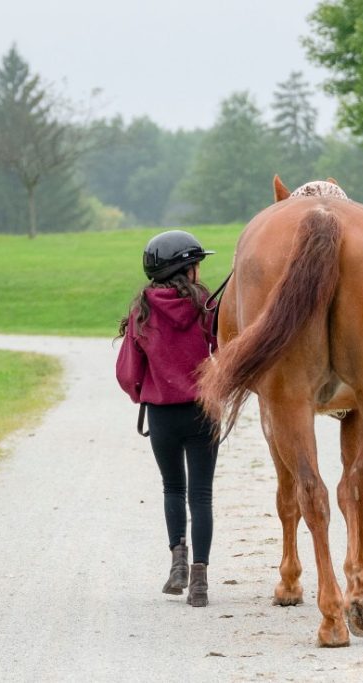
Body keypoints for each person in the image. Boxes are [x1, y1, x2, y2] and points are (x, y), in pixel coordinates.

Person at [116, 229, 218, 607]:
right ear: (186, 268)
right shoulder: (204, 305)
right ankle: (201, 581)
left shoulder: (141, 309)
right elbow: (222, 350)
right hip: (202, 412)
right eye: (196, 264)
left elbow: (128, 372)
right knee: (201, 494)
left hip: (160, 416)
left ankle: (177, 562)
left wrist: (144, 392)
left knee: (172, 488)